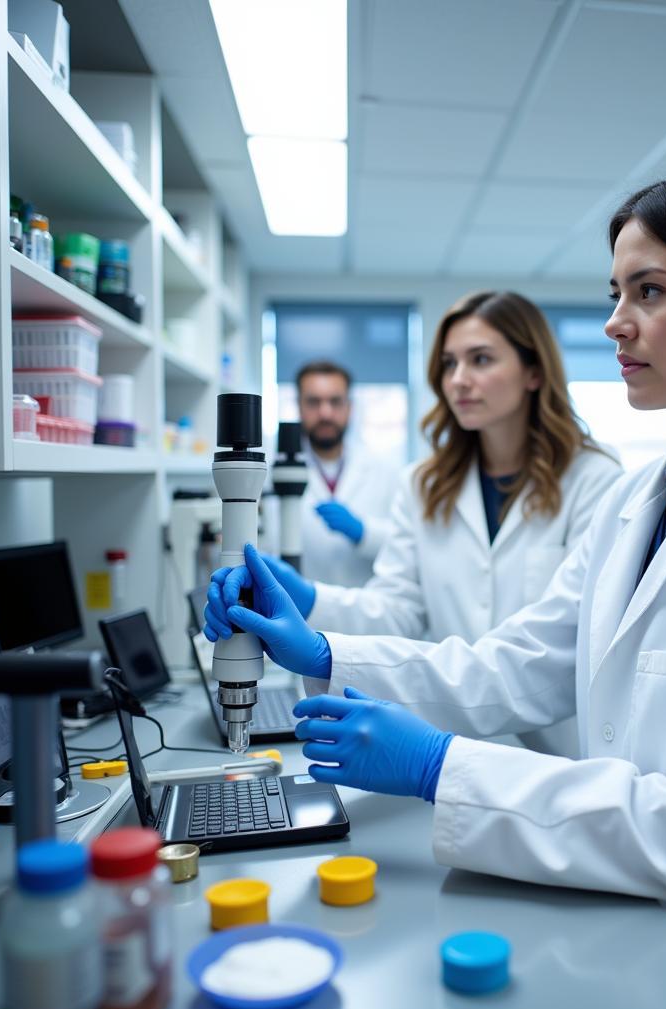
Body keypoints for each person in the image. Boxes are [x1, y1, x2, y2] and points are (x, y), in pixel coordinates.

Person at [206, 163, 666, 1009]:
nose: (615, 321)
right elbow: (520, 665)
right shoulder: (647, 497)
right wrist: (330, 649)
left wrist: (444, 767)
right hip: (651, 922)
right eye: (615, 290)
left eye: (651, 291)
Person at [212, 292, 622, 756]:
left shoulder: (595, 481)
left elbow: (559, 649)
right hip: (452, 742)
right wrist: (308, 600)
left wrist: (328, 652)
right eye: (449, 364)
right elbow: (398, 610)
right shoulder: (425, 485)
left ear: (534, 371)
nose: (459, 380)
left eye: (480, 359)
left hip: (556, 755)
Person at [295, 360, 397, 587]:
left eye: (335, 401)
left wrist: (364, 533)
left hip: (365, 611)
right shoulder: (271, 472)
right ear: (299, 407)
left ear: (349, 407)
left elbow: (405, 546)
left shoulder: (384, 470)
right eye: (313, 402)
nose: (325, 412)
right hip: (297, 613)